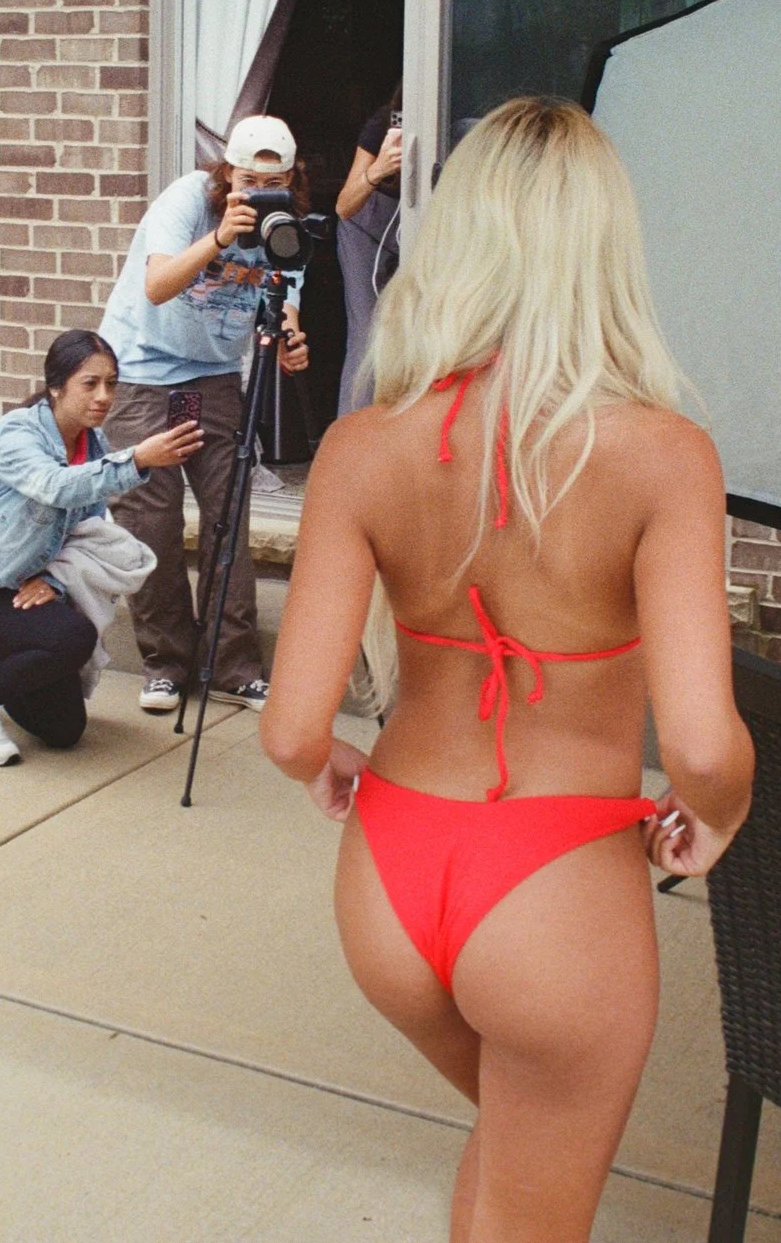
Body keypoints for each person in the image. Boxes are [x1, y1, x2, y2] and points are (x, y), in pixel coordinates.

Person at [258, 95, 754, 1243]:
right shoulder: (663, 456)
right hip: (554, 887)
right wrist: (716, 816)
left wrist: (328, 762)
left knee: (516, 1157)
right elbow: (698, 742)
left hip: (389, 874)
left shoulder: (362, 445)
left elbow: (288, 730)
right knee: (540, 1188)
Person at [97, 114, 311, 717]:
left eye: (275, 180)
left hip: (215, 379)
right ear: (225, 171)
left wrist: (292, 344)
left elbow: (284, 305)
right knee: (152, 521)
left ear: (291, 178)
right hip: (144, 374)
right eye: (247, 179)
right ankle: (165, 664)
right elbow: (159, 284)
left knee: (228, 516)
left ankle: (230, 666)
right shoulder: (187, 201)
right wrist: (220, 237)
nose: (258, 192)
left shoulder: (285, 225)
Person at [0, 330, 200, 765]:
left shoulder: (94, 444)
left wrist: (54, 579)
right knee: (73, 636)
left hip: (24, 586)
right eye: (90, 384)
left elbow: (87, 529)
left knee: (64, 730)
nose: (104, 396)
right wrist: (140, 459)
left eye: (111, 383)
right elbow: (54, 487)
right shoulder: (18, 431)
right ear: (56, 386)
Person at [334, 95, 404, 418]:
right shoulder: (383, 122)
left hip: (420, 224)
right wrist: (378, 169)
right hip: (367, 223)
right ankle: (352, 437)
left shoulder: (455, 127)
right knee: (368, 333)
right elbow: (344, 206)